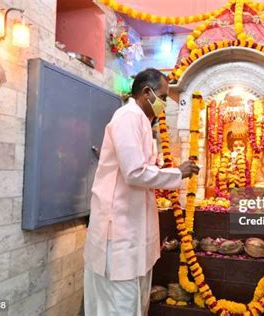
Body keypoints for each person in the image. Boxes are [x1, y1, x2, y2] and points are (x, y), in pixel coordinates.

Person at [83, 68, 199, 316]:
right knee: (120, 305)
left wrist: (164, 171)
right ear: (147, 92)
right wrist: (177, 173)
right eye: (164, 97)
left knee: (135, 302)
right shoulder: (127, 117)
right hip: (118, 231)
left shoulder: (143, 121)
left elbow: (143, 168)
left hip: (133, 228)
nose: (165, 104)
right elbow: (134, 172)